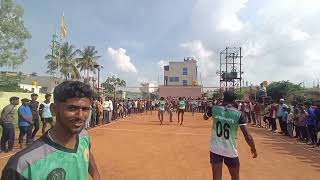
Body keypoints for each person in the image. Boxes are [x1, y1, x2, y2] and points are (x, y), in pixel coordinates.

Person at [2, 81, 100, 180]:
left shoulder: (84, 136)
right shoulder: (22, 165)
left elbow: (87, 154)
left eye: (85, 109)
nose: (80, 116)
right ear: (54, 109)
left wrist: (96, 174)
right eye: (72, 108)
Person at [203, 91, 257, 180]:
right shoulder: (239, 114)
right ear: (234, 100)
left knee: (216, 177)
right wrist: (253, 148)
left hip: (215, 148)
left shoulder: (214, 108)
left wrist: (210, 108)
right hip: (230, 149)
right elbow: (247, 136)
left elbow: (205, 117)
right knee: (235, 176)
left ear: (223, 98)